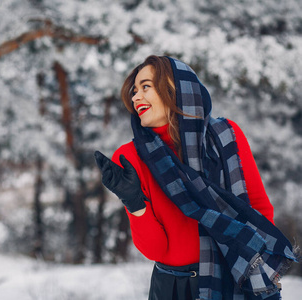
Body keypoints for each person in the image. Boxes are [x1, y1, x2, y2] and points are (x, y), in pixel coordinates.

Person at [94, 55, 297, 300]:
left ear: (175, 88)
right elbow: (156, 249)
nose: (135, 97)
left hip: (234, 278)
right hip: (172, 288)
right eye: (134, 91)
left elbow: (259, 209)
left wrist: (252, 265)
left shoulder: (225, 137)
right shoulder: (130, 157)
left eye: (145, 86)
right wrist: (134, 204)